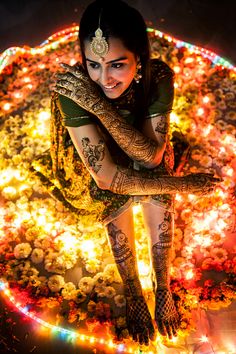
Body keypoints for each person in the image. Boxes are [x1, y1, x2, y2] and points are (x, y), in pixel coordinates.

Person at [46, 0, 220, 345]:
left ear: (139, 57)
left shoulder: (158, 75)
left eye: (117, 65)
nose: (104, 79)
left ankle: (162, 284)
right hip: (93, 163)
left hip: (139, 149)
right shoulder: (74, 89)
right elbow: (106, 177)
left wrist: (101, 108)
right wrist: (183, 185)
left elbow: (152, 156)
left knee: (157, 171)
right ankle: (134, 291)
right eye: (92, 64)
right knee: (115, 192)